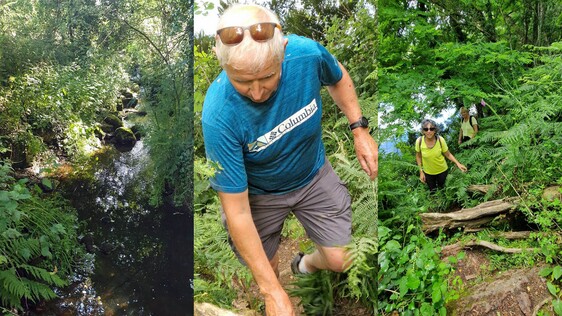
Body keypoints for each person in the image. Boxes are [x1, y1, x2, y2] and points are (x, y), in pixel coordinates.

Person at [201, 4, 378, 316]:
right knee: (266, 269)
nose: (257, 92)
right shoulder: (218, 115)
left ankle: (305, 264)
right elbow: (238, 211)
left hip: (313, 174)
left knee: (341, 258)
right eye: (242, 81)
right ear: (222, 62)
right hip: (259, 196)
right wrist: (272, 292)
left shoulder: (306, 54)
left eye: (267, 76)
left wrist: (359, 129)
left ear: (283, 49)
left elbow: (337, 77)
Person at [415, 119, 467, 193]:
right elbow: (418, 157)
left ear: (435, 130)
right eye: (426, 129)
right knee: (432, 191)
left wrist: (458, 164)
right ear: (423, 131)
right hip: (428, 172)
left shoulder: (440, 140)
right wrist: (421, 172)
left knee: (443, 189)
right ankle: (435, 203)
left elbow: (448, 154)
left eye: (431, 129)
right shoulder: (419, 141)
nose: (429, 131)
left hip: (442, 170)